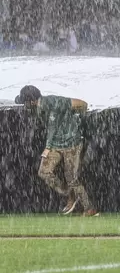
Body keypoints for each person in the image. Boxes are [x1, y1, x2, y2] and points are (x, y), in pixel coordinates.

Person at [15, 85, 100, 217]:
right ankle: (69, 194)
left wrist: (74, 123)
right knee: (44, 172)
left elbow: (82, 104)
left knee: (72, 178)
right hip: (56, 143)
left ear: (31, 101)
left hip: (71, 143)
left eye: (25, 102)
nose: (24, 106)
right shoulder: (38, 107)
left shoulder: (54, 102)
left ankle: (89, 208)